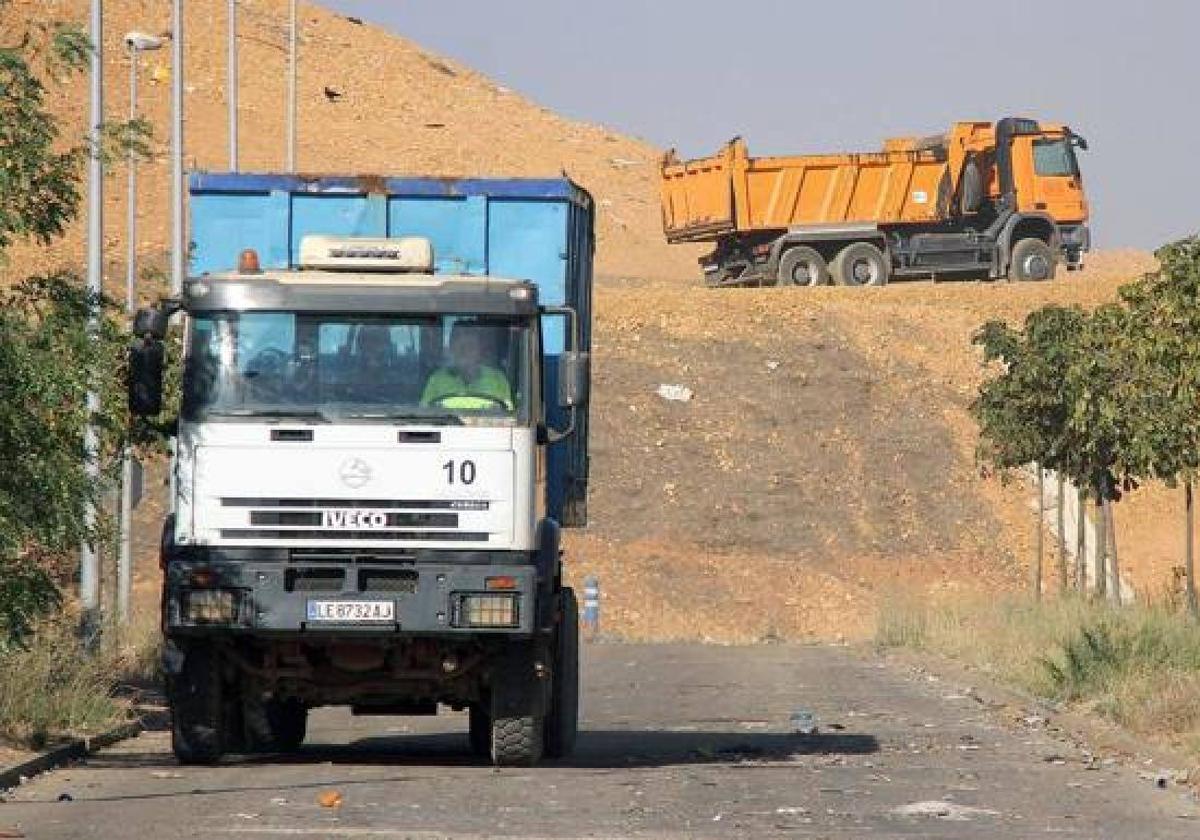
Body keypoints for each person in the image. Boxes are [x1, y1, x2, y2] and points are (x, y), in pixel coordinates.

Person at [421, 324, 513, 411]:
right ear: (451, 348)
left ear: (479, 349)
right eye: (461, 348)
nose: (465, 353)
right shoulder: (436, 380)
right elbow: (423, 417)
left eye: (470, 347)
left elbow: (511, 419)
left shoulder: (498, 380)